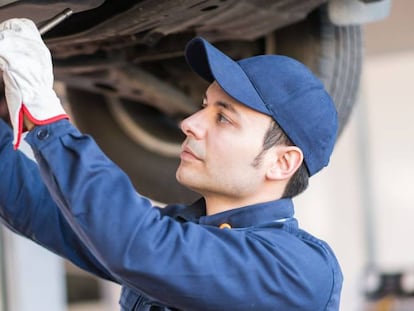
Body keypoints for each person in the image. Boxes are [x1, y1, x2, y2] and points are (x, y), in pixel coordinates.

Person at [0, 18, 343, 310]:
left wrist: (44, 115)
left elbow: (141, 245)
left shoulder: (298, 272)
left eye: (223, 118)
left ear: (282, 162)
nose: (190, 122)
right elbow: (38, 208)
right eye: (204, 105)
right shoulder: (180, 233)